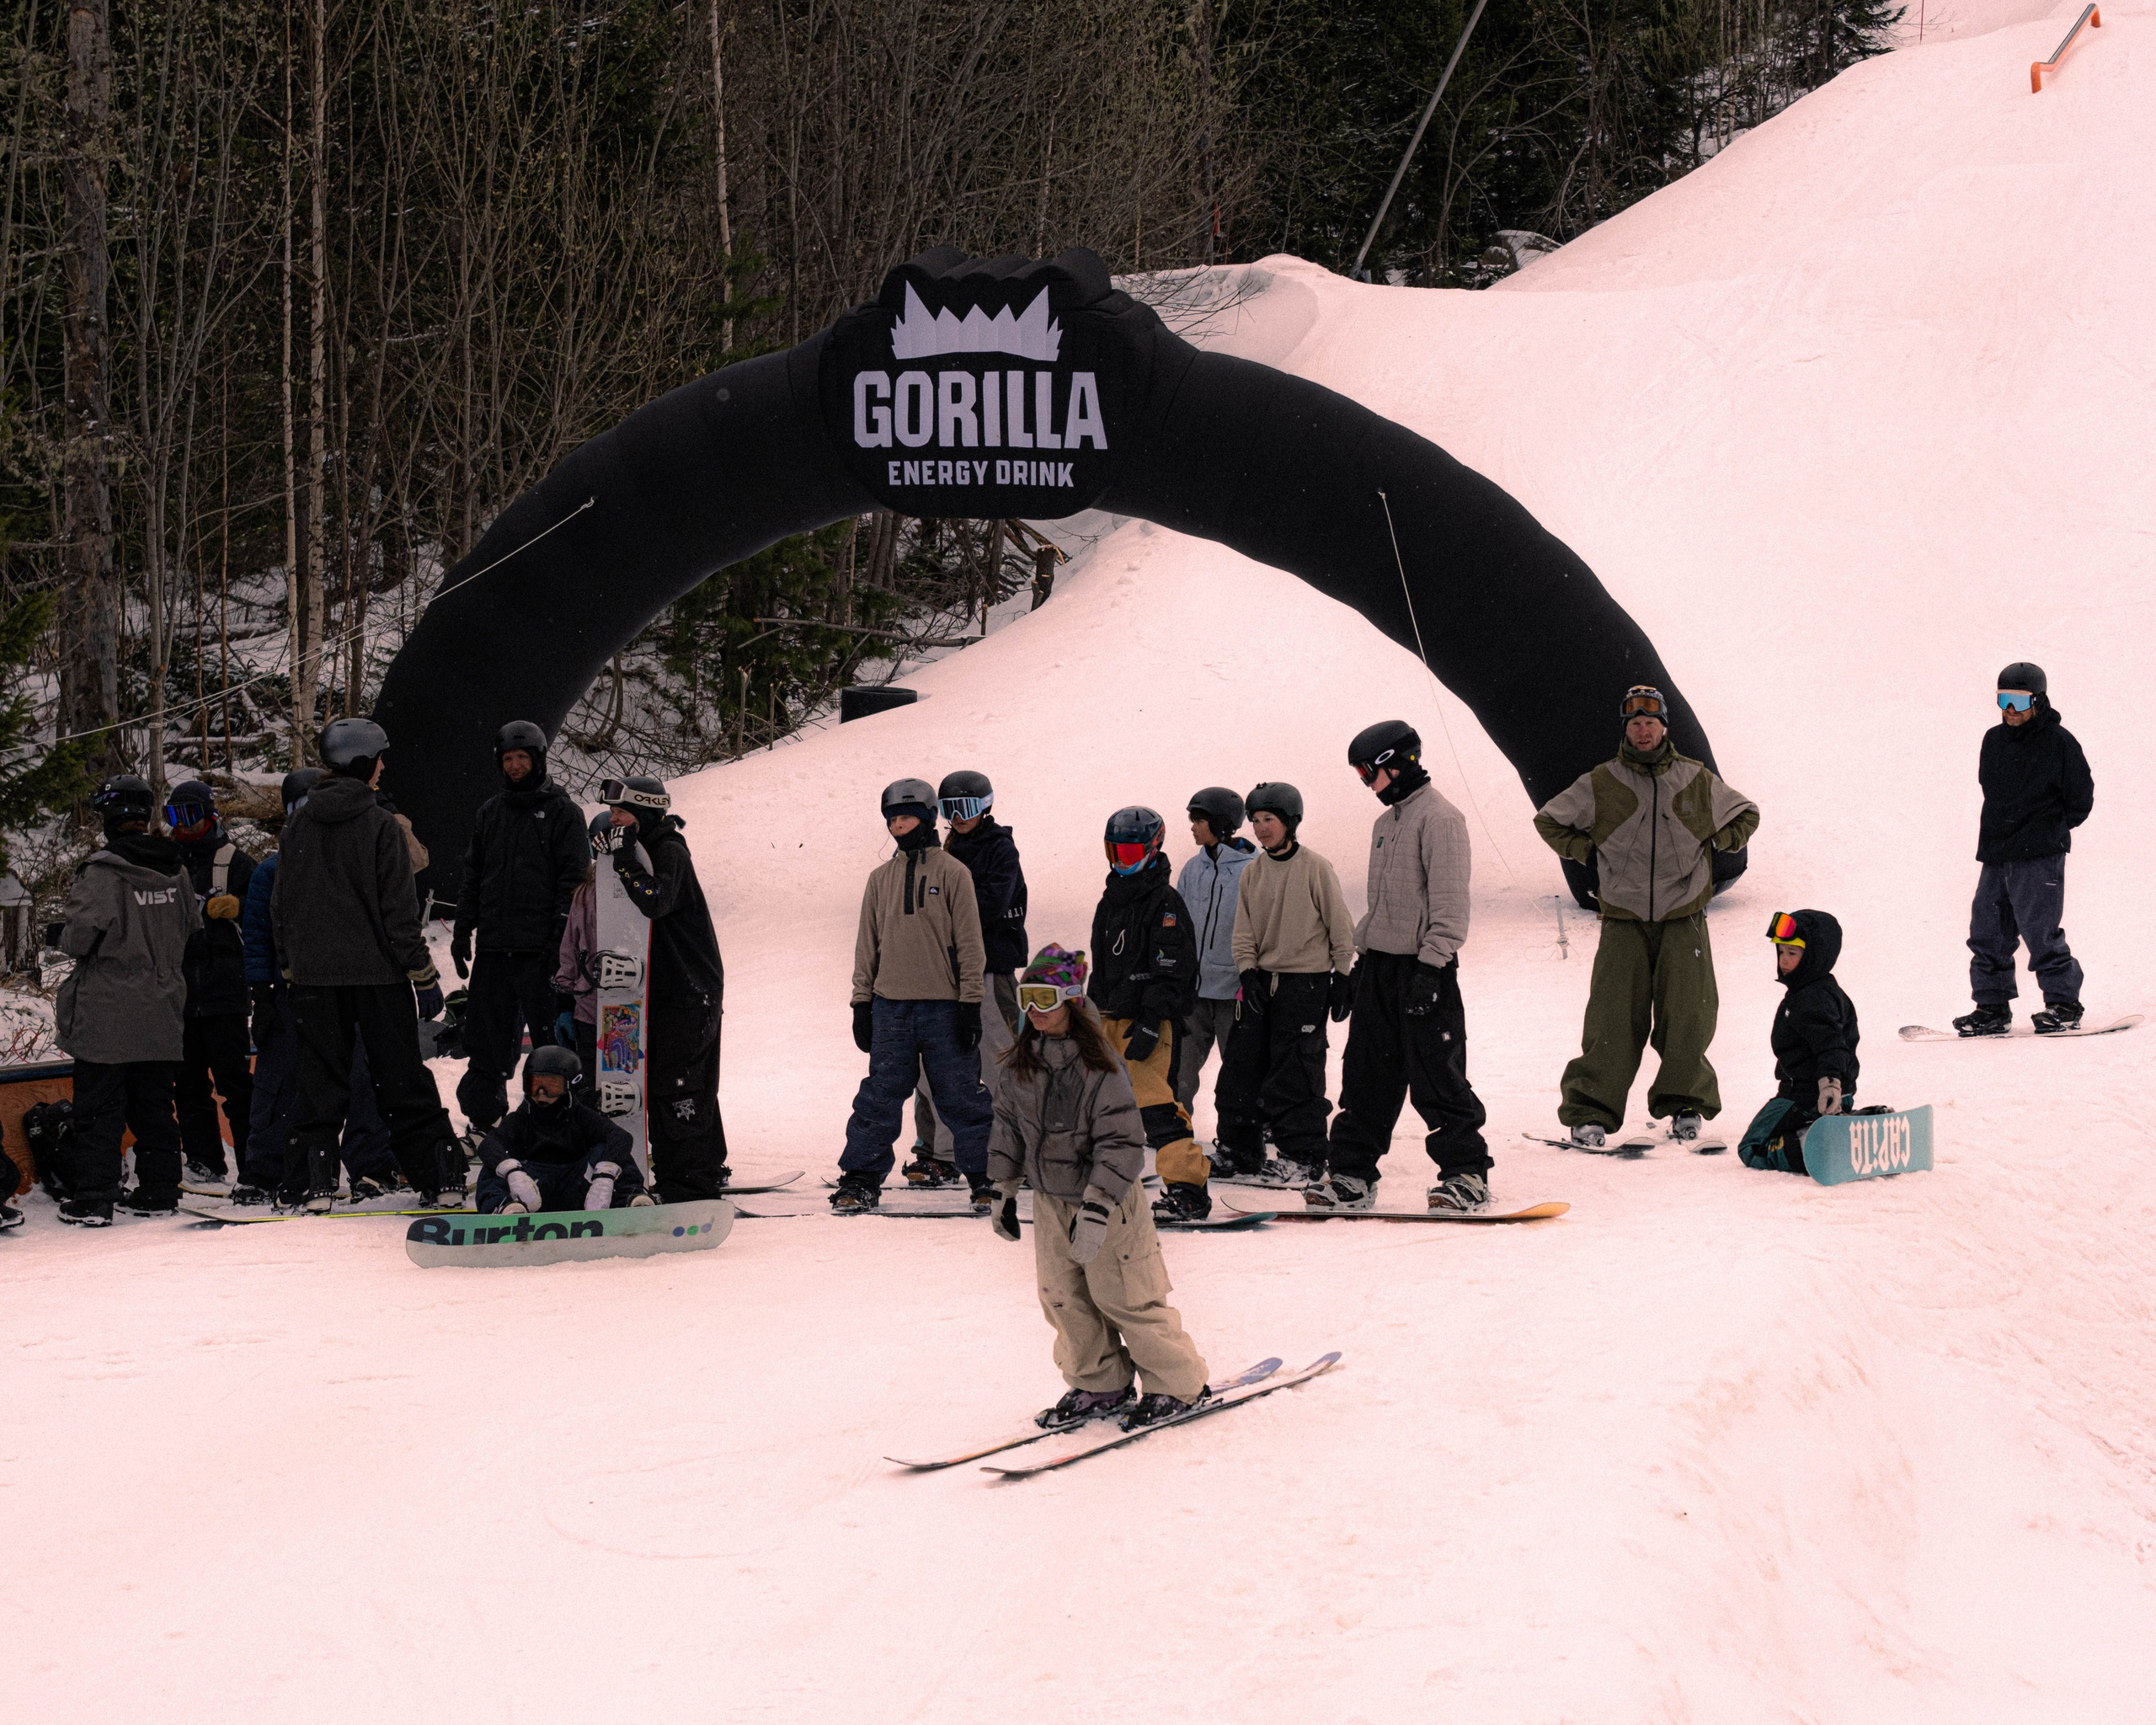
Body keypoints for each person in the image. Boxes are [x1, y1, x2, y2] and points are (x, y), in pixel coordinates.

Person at [985, 944, 1213, 1431]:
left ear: (1070, 999)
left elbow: (1122, 1141)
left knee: (1126, 1296)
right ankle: (1100, 1381)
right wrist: (1002, 1190)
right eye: (1027, 998)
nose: (1034, 1011)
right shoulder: (1021, 1062)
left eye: (1045, 999)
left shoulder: (1101, 1065)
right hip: (1052, 1199)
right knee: (1063, 1296)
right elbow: (1007, 1127)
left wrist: (1097, 1206)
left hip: (1107, 1202)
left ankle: (1177, 1383)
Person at [1534, 686, 1759, 1147]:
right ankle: (1591, 1113)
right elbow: (1549, 820)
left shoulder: (1694, 778)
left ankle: (1686, 1106)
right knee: (1613, 1019)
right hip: (1623, 920)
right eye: (1634, 723)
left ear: (1664, 727)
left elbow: (1746, 814)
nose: (1642, 730)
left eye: (1650, 722)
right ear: (1626, 728)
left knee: (1689, 1016)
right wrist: (1585, 852)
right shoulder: (1602, 781)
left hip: (1685, 919)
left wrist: (1720, 843)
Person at [272, 718, 463, 1210]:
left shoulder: (298, 825)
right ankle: (439, 1179)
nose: (383, 768)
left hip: (315, 982)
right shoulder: (380, 825)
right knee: (402, 1079)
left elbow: (283, 906)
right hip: (378, 980)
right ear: (362, 762)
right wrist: (422, 975)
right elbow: (399, 913)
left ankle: (310, 1185)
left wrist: (291, 966)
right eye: (378, 759)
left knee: (319, 1082)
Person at [1326, 721, 1492, 1212]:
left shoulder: (1441, 820)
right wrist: (1359, 965)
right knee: (1364, 1075)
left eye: (1367, 773)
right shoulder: (1387, 823)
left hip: (1424, 969)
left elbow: (1449, 905)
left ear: (1397, 763)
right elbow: (1381, 906)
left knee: (1436, 1075)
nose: (1366, 784)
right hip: (1379, 966)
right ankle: (1352, 1175)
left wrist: (1431, 966)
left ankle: (1466, 1173)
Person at [833, 778, 991, 1214]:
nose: (898, 826)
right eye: (892, 820)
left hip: (944, 1008)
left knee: (961, 1096)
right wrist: (861, 1003)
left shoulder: (953, 872)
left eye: (905, 817)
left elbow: (971, 944)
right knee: (879, 1096)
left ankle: (987, 1178)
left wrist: (971, 1003)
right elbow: (868, 943)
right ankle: (860, 1179)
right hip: (890, 1009)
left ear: (926, 819)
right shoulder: (880, 879)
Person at [242, 768, 398, 1205]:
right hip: (289, 994)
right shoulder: (271, 871)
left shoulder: (353, 860)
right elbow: (256, 938)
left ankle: (372, 1165)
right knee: (280, 1084)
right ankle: (265, 1169)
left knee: (363, 1081)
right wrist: (262, 993)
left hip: (346, 990)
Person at [52, 775, 199, 1224]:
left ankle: (95, 1196)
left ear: (109, 818)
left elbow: (79, 938)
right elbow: (193, 932)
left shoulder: (102, 873)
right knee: (154, 1103)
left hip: (108, 1010)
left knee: (99, 1107)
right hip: (161, 1006)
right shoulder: (176, 869)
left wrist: (59, 933)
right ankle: (158, 1188)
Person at [451, 721, 592, 1140]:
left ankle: (556, 1128)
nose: (515, 766)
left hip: (541, 955)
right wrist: (462, 929)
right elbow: (472, 876)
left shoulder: (564, 813)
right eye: (508, 759)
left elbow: (573, 881)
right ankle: (486, 1124)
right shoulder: (489, 813)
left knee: (551, 1049)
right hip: (495, 952)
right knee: (486, 1046)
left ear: (538, 759)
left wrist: (560, 937)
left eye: (522, 758)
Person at [1214, 782, 1355, 1196]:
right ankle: (1241, 1152)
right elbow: (1244, 933)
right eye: (1255, 821)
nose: (1261, 829)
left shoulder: (1315, 867)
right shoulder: (1253, 873)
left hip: (1305, 985)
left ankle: (1305, 1158)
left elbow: (1340, 928)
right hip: (1261, 983)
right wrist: (1247, 972)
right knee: (1240, 1069)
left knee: (1295, 1074)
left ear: (1291, 822)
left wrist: (1342, 977)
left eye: (1269, 820)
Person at [600, 776, 729, 1198]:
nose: (613, 820)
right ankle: (706, 1162)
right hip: (673, 987)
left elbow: (655, 900)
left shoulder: (668, 850)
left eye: (621, 813)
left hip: (690, 989)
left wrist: (623, 862)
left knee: (677, 1084)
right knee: (683, 1079)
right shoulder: (647, 847)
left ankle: (688, 1180)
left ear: (644, 814)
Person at [1955, 663, 2094, 1036]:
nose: (2010, 710)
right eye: (2004, 700)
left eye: (2018, 700)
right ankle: (1991, 1007)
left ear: (2038, 700)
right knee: (1987, 930)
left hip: (2039, 853)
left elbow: (2081, 798)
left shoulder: (2059, 741)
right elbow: (1991, 789)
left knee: (2039, 931)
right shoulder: (1993, 740)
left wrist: (2049, 830)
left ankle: (2064, 1004)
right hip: (1998, 850)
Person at [905, 768, 1028, 1186]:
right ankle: (941, 1151)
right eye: (950, 810)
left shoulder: (999, 849)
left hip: (990, 970)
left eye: (967, 808)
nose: (958, 818)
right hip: (945, 974)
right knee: (940, 1063)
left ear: (985, 807)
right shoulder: (943, 850)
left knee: (1000, 1060)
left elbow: (990, 905)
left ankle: (1014, 1150)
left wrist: (949, 905)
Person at [1086, 807, 1206, 1221]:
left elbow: (1173, 970)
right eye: (1116, 850)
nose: (1123, 859)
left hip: (1146, 1020)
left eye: (1133, 850)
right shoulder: (1110, 900)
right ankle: (1097, 1179)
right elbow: (1102, 965)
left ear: (1154, 848)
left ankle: (1189, 1190)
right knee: (1096, 1103)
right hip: (1108, 1017)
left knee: (1155, 1105)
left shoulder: (1165, 903)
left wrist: (1153, 1022)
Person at [160, 779, 262, 1189]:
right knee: (187, 1086)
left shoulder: (235, 861)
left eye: (189, 817)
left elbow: (269, 914)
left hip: (225, 992)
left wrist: (241, 908)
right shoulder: (165, 860)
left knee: (236, 1084)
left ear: (210, 816)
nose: (181, 827)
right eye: (173, 817)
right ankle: (204, 1162)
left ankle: (254, 1162)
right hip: (180, 993)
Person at [1738, 911, 1860, 1173]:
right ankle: (1848, 1124)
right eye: (1781, 952)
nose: (1784, 960)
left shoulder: (1810, 999)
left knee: (1752, 1148)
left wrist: (1830, 1083)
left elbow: (1832, 1045)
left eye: (1793, 953)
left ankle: (1814, 1146)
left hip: (1808, 1097)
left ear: (1813, 956)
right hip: (1836, 1097)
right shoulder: (1825, 990)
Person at [473, 1046, 654, 1213]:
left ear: (569, 1086)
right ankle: (502, 1207)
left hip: (580, 1190)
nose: (541, 1093)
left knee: (609, 1149)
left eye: (551, 1086)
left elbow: (620, 1137)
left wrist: (605, 1175)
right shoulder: (520, 1118)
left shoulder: (581, 1115)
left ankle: (631, 1198)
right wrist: (513, 1172)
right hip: (531, 1194)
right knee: (495, 1162)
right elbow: (489, 1144)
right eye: (534, 1085)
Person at [1172, 787, 1257, 1122]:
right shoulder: (1193, 870)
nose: (1192, 826)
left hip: (1232, 992)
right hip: (1194, 991)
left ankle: (1247, 1133)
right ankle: (1175, 1126)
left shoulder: (1252, 870)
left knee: (1238, 1071)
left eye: (1199, 820)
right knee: (1180, 1068)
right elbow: (1177, 926)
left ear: (1220, 824)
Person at [550, 811, 613, 1089]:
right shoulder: (584, 892)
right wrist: (565, 1005)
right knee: (590, 1087)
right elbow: (569, 951)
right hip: (588, 1007)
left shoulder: (638, 887)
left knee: (620, 1085)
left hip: (627, 1008)